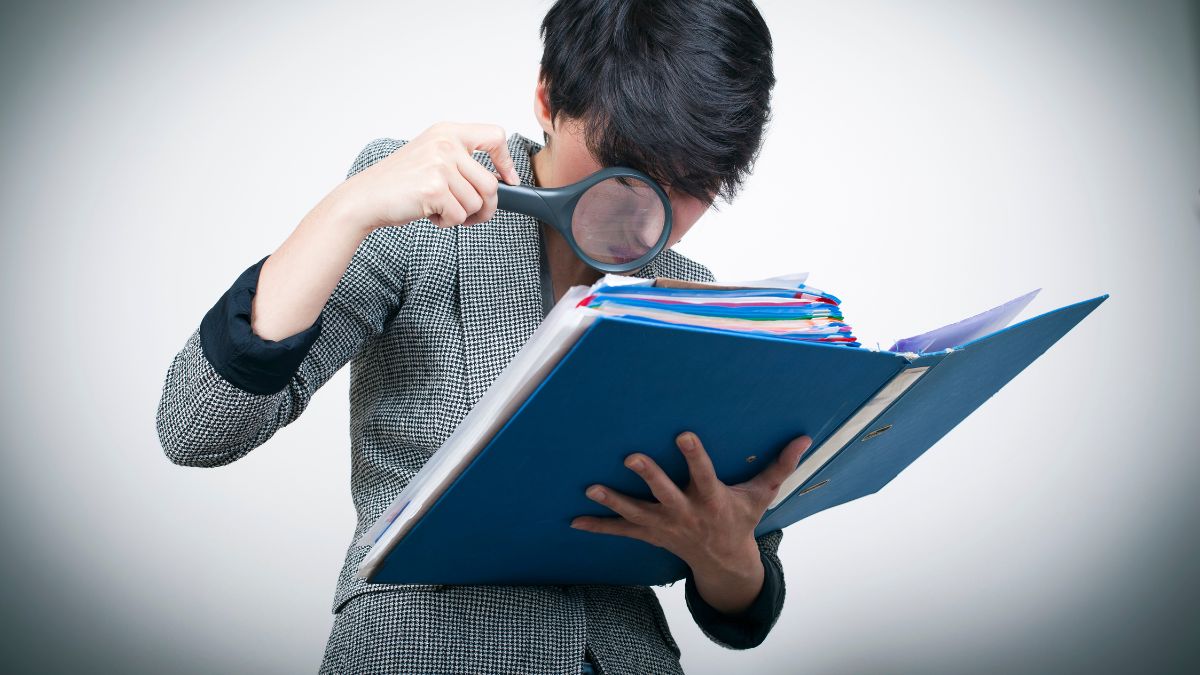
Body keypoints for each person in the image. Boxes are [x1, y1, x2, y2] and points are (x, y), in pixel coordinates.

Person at [155, 1, 812, 672]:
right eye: (627, 168)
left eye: (694, 186)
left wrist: (728, 557)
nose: (651, 215)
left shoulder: (693, 295)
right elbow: (197, 426)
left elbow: (741, 614)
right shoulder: (417, 212)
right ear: (549, 97)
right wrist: (346, 211)